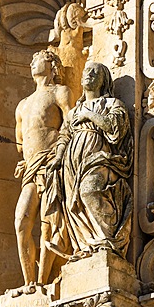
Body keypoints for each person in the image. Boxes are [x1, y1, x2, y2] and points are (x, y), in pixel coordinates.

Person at [44, 62, 133, 259]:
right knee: (72, 204)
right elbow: (64, 136)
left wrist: (89, 115)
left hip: (99, 159)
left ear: (104, 80)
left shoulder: (112, 104)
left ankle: (107, 240)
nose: (89, 74)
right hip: (71, 164)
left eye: (95, 72)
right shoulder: (73, 111)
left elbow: (115, 128)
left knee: (89, 191)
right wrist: (58, 158)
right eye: (86, 71)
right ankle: (86, 245)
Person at [13, 50, 73, 287]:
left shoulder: (60, 92)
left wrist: (59, 154)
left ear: (51, 64)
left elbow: (71, 125)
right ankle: (28, 281)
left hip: (52, 164)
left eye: (37, 58)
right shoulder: (22, 105)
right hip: (31, 168)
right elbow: (20, 142)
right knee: (21, 222)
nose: (31, 62)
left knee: (48, 223)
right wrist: (25, 159)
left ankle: (41, 282)